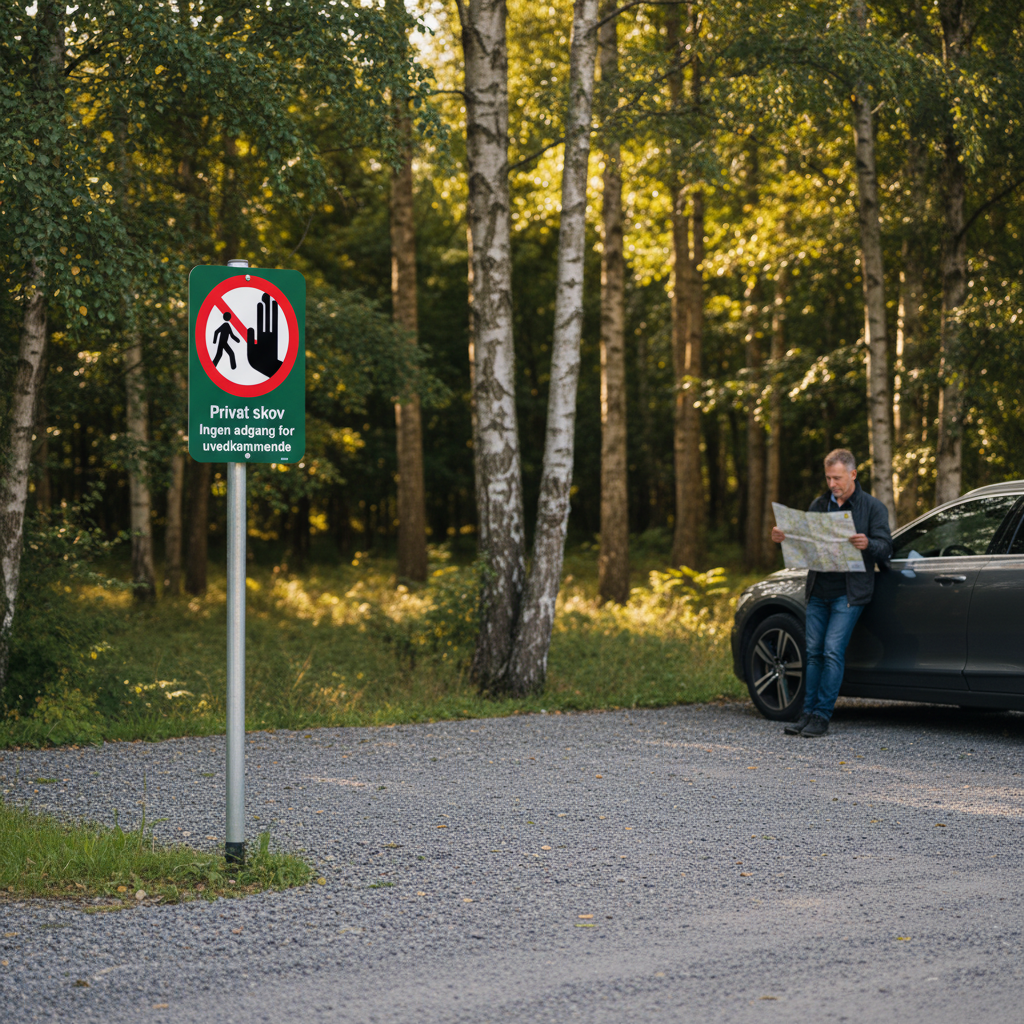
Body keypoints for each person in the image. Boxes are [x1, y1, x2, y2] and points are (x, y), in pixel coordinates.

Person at [770, 449, 892, 737]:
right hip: (818, 589)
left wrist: (868, 544)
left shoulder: (872, 507)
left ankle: (822, 716)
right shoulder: (819, 504)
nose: (832, 484)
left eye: (837, 478)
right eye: (828, 478)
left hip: (849, 594)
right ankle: (807, 714)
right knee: (813, 653)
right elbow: (805, 545)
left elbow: (886, 547)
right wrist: (785, 538)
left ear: (853, 474)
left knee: (832, 651)